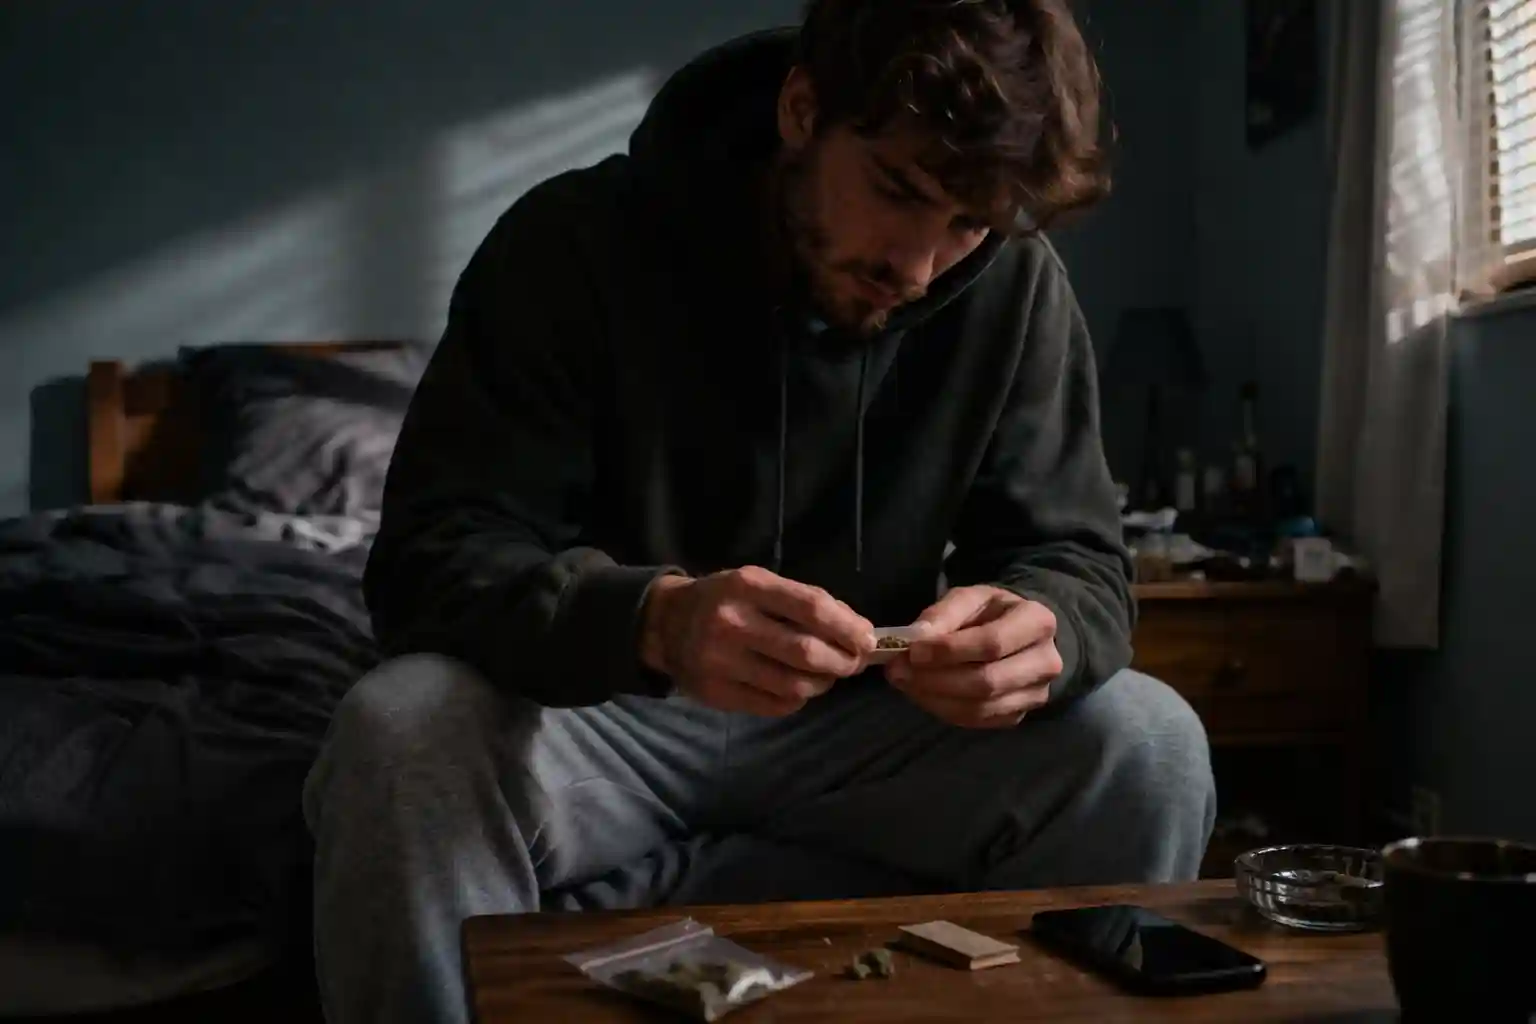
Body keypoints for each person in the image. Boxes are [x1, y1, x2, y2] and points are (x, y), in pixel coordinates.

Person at [302, 2, 1216, 1021]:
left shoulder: (1015, 293)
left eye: (969, 225)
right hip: (596, 715)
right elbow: (433, 556)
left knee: (1152, 743)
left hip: (870, 729)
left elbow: (1079, 560)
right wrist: (654, 619)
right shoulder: (567, 245)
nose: (915, 267)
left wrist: (1037, 624)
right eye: (897, 190)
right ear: (801, 108)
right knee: (396, 731)